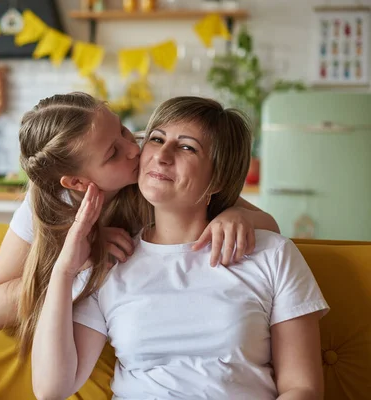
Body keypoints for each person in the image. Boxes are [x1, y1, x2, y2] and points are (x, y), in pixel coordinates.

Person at [31, 96, 329, 400]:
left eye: (187, 147)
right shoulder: (110, 260)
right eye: (157, 139)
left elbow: (301, 388)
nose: (162, 155)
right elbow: (51, 389)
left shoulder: (273, 254)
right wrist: (64, 271)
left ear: (218, 179)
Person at [0, 92, 280, 337]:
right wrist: (83, 261)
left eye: (124, 131)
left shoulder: (157, 181)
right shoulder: (48, 202)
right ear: (78, 183)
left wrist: (237, 216)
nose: (134, 150)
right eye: (113, 152)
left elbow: (271, 226)